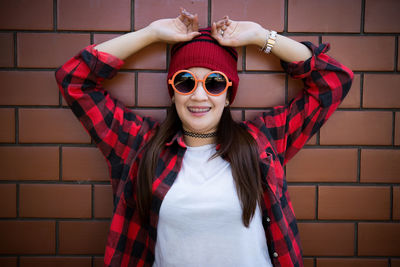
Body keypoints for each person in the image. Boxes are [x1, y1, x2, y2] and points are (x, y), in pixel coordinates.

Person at [55, 8, 353, 267]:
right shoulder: (138, 145)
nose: (199, 95)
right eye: (185, 82)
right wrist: (151, 34)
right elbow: (74, 80)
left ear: (228, 95)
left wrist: (262, 37)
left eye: (214, 82)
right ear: (172, 92)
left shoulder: (262, 143)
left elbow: (334, 80)